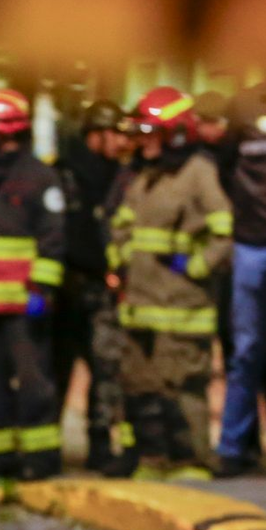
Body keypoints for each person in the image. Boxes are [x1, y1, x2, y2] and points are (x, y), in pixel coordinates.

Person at [110, 86, 233, 479]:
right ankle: (154, 458)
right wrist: (120, 261)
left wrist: (196, 267)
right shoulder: (146, 176)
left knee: (182, 387)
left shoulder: (199, 172)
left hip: (182, 307)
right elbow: (124, 226)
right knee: (143, 387)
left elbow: (225, 231)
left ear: (176, 133)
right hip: (141, 305)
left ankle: (192, 460)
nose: (141, 141)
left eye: (150, 132)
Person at [0, 89, 66, 481]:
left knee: (33, 384)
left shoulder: (40, 177)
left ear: (1, 130)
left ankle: (41, 458)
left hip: (26, 304)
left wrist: (40, 291)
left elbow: (53, 238)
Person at [216, 82, 266, 477]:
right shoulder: (245, 104)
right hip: (253, 243)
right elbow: (223, 169)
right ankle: (232, 447)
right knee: (246, 351)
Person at [55, 99, 130, 473]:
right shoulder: (66, 174)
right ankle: (49, 447)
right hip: (67, 288)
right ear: (95, 135)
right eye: (115, 133)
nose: (122, 142)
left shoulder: (122, 176)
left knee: (106, 370)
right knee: (57, 368)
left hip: (102, 289)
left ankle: (100, 446)